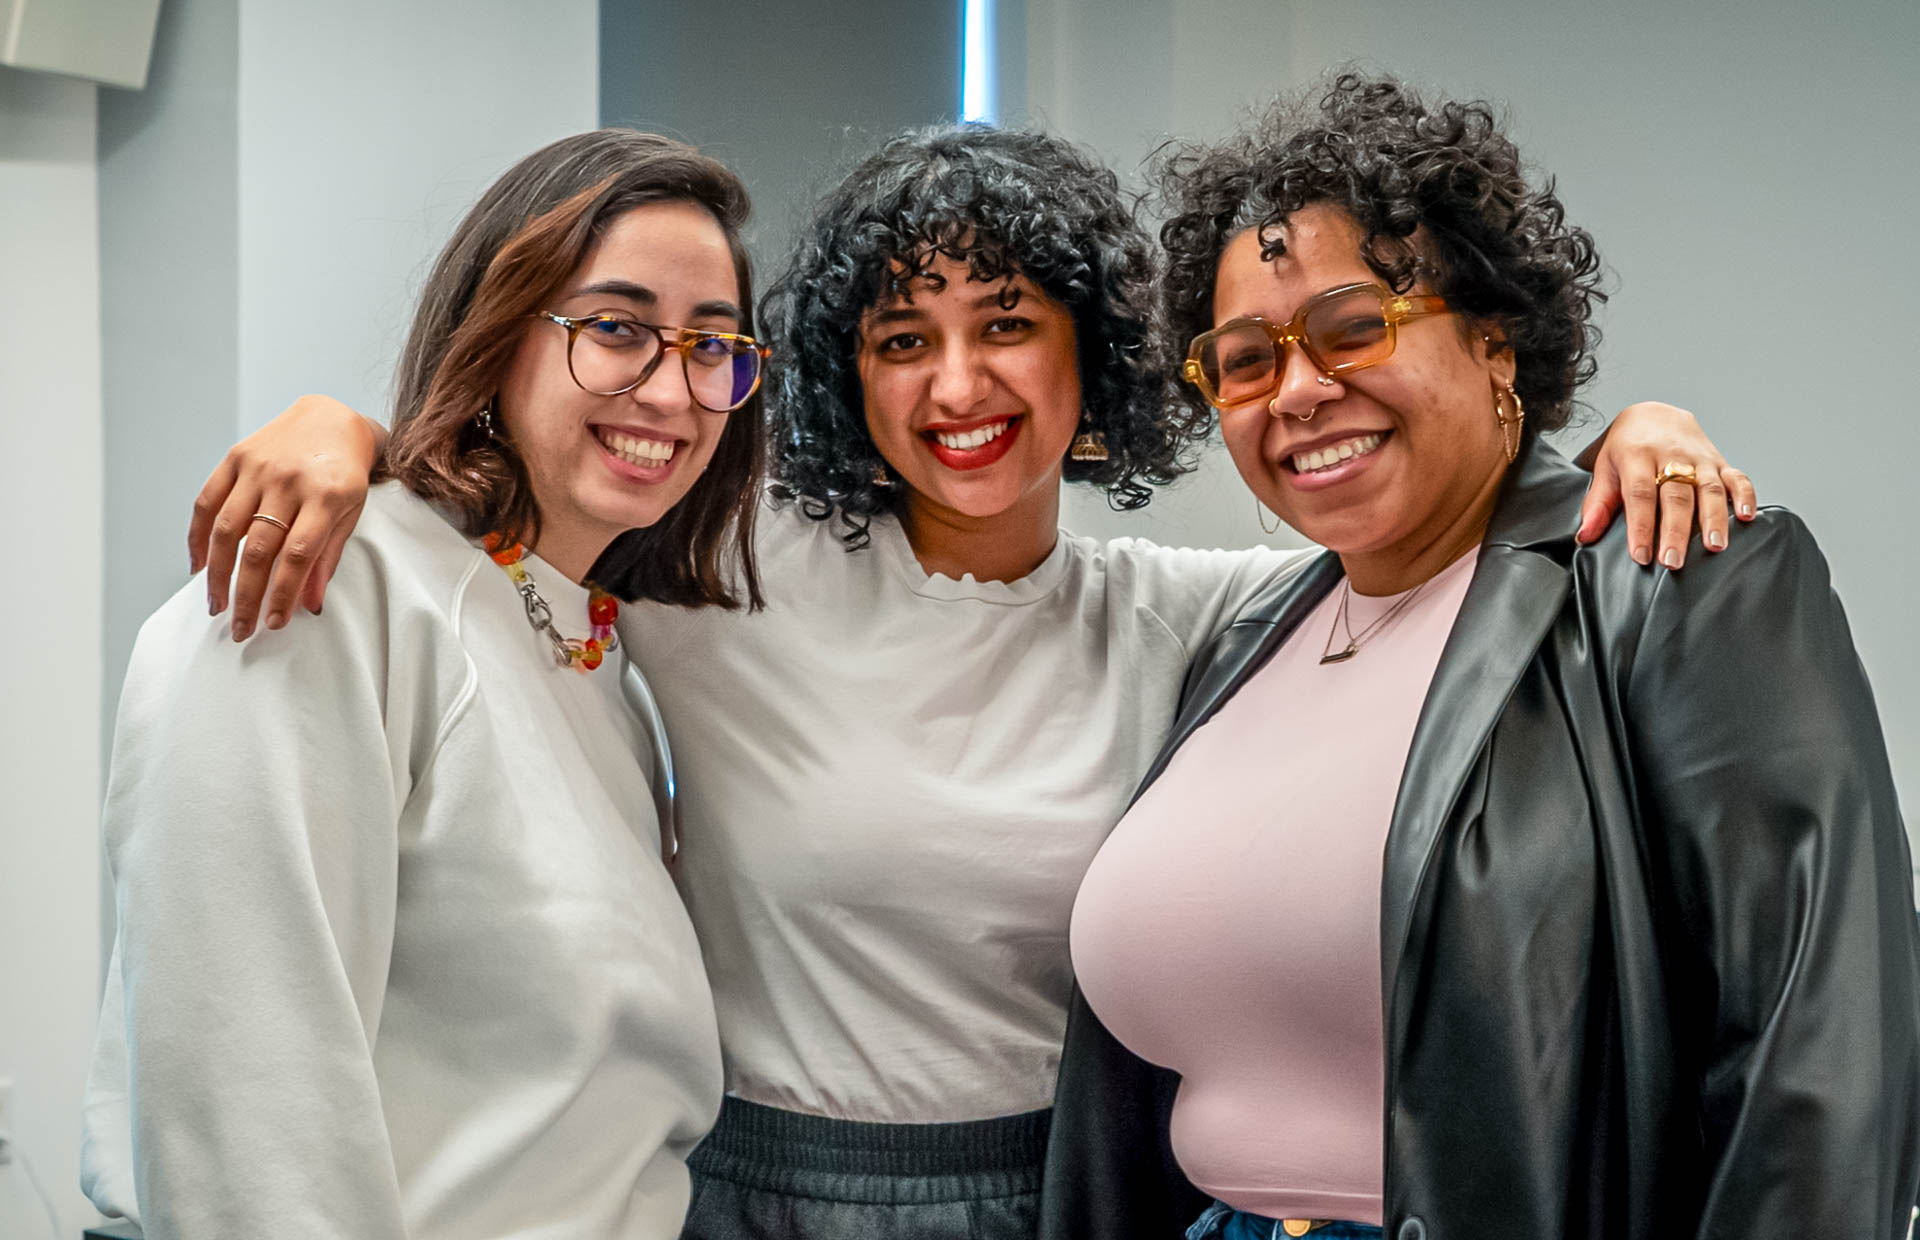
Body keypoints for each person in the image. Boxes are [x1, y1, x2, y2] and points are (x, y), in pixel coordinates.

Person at [181, 125, 1754, 1240]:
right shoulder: (725, 573)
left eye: (1008, 326)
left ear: (1098, 362)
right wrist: (350, 434)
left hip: (1062, 1194)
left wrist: (1623, 438)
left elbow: (1435, 541)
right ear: (839, 377)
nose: (956, 386)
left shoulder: (1202, 622)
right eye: (897, 339)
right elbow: (552, 493)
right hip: (736, 1196)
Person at [1055, 74, 1920, 1240]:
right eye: (1248, 360)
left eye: (1355, 325)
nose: (1302, 390)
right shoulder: (1249, 643)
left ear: (1495, 341)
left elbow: (1822, 1060)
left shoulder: (1680, 581)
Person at [81, 129, 772, 1239]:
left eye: (712, 346)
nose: (670, 388)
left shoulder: (599, 651)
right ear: (498, 329)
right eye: (616, 328)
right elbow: (244, 1107)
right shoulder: (330, 585)